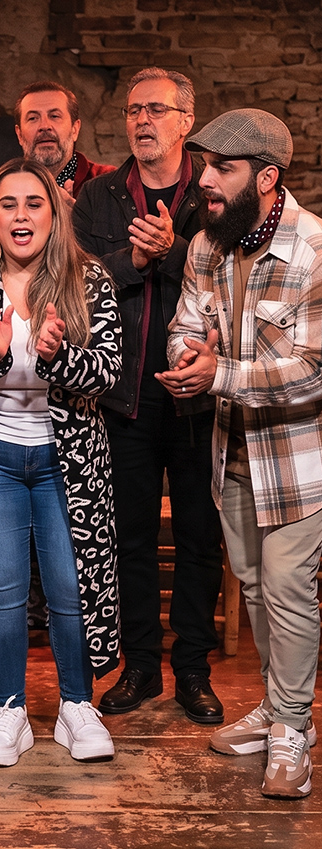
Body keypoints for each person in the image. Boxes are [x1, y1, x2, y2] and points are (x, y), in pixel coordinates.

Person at [0, 157, 122, 767]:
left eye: (34, 203)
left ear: (54, 213)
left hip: (69, 462)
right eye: (8, 204)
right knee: (0, 588)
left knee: (70, 584)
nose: (21, 215)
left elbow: (108, 371)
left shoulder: (89, 279)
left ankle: (76, 705)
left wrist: (59, 358)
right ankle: (9, 709)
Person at [158, 109, 322, 799]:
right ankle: (277, 707)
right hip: (231, 452)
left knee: (287, 589)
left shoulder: (313, 249)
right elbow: (184, 324)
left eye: (221, 168)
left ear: (266, 177)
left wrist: (217, 374)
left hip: (297, 459)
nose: (204, 180)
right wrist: (186, 354)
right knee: (253, 586)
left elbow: (312, 370)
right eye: (204, 166)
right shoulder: (207, 244)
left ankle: (293, 729)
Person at [72, 67, 225, 725]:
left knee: (198, 538)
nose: (141, 120)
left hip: (199, 397)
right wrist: (132, 262)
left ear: (185, 120)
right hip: (124, 396)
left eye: (156, 109)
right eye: (133, 109)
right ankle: (138, 665)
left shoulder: (216, 190)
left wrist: (175, 253)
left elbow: (233, 275)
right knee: (129, 538)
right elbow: (74, 280)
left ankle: (192, 669)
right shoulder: (100, 196)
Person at [15, 81, 114, 207]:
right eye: (33, 118)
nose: (44, 126)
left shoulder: (109, 182)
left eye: (54, 116)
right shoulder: (4, 187)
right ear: (19, 135)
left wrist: (79, 217)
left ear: (75, 130)